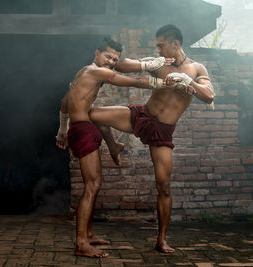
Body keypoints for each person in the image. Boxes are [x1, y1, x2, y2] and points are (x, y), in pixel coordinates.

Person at [89, 24, 215, 253]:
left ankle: (161, 239)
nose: (158, 50)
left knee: (164, 186)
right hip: (142, 116)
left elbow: (209, 96)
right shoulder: (159, 64)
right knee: (93, 114)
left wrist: (189, 82)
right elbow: (121, 65)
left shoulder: (196, 68)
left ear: (175, 44)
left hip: (163, 132)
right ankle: (113, 145)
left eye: (161, 45)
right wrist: (147, 64)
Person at [55, 37, 173, 258]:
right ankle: (81, 243)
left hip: (80, 128)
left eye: (115, 59)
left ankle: (88, 234)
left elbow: (64, 102)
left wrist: (62, 129)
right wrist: (165, 82)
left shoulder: (81, 73)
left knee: (95, 184)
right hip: (83, 129)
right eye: (108, 56)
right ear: (97, 52)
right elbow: (133, 82)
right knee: (92, 185)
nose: (110, 62)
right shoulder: (95, 71)